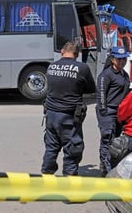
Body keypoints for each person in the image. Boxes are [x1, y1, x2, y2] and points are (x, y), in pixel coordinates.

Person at [41, 41, 96, 176]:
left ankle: (46, 175)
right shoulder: (82, 68)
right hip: (69, 117)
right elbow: (90, 89)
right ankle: (69, 181)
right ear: (77, 54)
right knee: (72, 149)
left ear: (62, 51)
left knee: (51, 147)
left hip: (51, 114)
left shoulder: (51, 67)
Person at [95, 46, 130, 176]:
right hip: (108, 111)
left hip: (119, 112)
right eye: (119, 59)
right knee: (107, 139)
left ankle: (112, 165)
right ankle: (106, 168)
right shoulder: (106, 74)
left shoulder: (124, 75)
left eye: (124, 59)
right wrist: (104, 111)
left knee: (116, 141)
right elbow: (101, 93)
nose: (122, 62)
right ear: (112, 59)